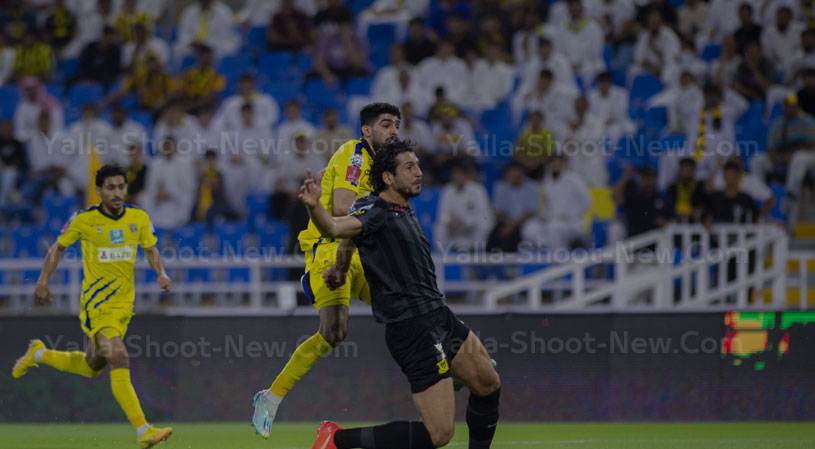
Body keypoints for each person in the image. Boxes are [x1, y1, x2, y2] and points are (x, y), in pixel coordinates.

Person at [302, 139, 501, 449]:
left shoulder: (399, 209)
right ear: (388, 178)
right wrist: (316, 208)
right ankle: (335, 439)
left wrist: (340, 269)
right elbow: (336, 230)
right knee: (439, 434)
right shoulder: (375, 210)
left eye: (418, 165)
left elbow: (349, 242)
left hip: (438, 314)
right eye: (409, 167)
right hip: (412, 327)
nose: (419, 172)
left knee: (487, 383)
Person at [251, 103, 401, 439]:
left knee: (405, 304)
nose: (394, 131)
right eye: (387, 124)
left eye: (397, 125)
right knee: (334, 332)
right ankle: (270, 398)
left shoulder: (386, 169)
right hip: (329, 247)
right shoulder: (357, 156)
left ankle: (457, 357)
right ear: (367, 131)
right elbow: (342, 208)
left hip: (362, 250)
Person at [11, 164, 173, 448]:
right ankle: (143, 430)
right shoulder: (84, 220)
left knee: (91, 366)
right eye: (110, 187)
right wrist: (43, 280)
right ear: (98, 191)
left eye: (121, 186)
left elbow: (150, 248)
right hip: (97, 306)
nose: (117, 192)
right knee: (119, 358)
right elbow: (58, 247)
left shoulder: (139, 217)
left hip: (124, 308)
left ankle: (38, 354)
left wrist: (161, 272)